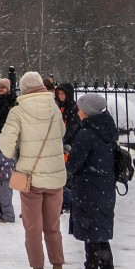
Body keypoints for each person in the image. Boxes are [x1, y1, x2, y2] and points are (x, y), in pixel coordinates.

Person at [0, 71, 67, 269]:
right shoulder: (54, 108)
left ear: (23, 88)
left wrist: (19, 148)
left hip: (32, 178)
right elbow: (62, 133)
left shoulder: (17, 111)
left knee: (33, 229)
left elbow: (7, 148)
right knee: (53, 228)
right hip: (55, 178)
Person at [66, 93, 117, 269]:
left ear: (87, 112)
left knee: (91, 229)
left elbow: (74, 163)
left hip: (88, 186)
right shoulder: (107, 129)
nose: (77, 111)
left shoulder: (86, 133)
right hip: (104, 185)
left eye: (80, 108)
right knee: (100, 227)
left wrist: (67, 164)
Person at [55, 82, 80, 214]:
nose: (60, 96)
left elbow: (72, 127)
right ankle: (64, 200)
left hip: (68, 143)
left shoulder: (73, 108)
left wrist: (64, 138)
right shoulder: (59, 106)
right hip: (60, 142)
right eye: (59, 93)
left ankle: (68, 201)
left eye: (63, 93)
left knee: (67, 174)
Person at [0, 138, 16, 223]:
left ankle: (9, 216)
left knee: (5, 198)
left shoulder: (3, 156)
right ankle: (0, 213)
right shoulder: (0, 155)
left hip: (6, 181)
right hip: (0, 181)